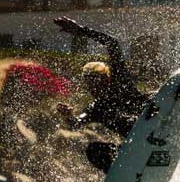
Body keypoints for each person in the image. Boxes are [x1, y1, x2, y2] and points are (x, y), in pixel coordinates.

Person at [54, 17, 149, 173]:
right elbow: (76, 124)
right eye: (89, 83)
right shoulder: (97, 108)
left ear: (106, 78)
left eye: (96, 81)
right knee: (94, 150)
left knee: (153, 96)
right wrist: (68, 116)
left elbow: (112, 43)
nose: (93, 87)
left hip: (152, 121)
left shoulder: (120, 81)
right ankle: (121, 175)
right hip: (134, 146)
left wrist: (81, 30)